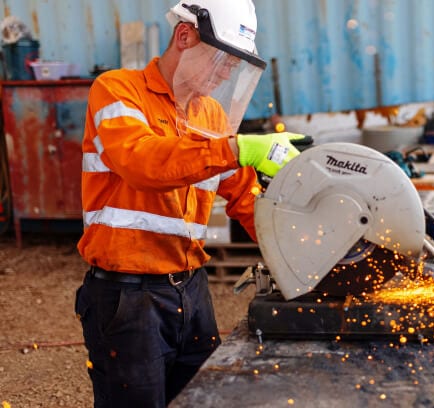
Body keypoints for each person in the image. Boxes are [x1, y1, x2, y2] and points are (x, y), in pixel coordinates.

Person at [74, 1, 301, 406]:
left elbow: (246, 197)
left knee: (201, 399)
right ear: (185, 37)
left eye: (237, 64)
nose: (229, 72)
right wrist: (237, 147)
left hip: (191, 292)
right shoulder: (117, 90)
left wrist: (303, 254)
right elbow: (142, 162)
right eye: (224, 59)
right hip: (128, 297)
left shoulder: (211, 115)